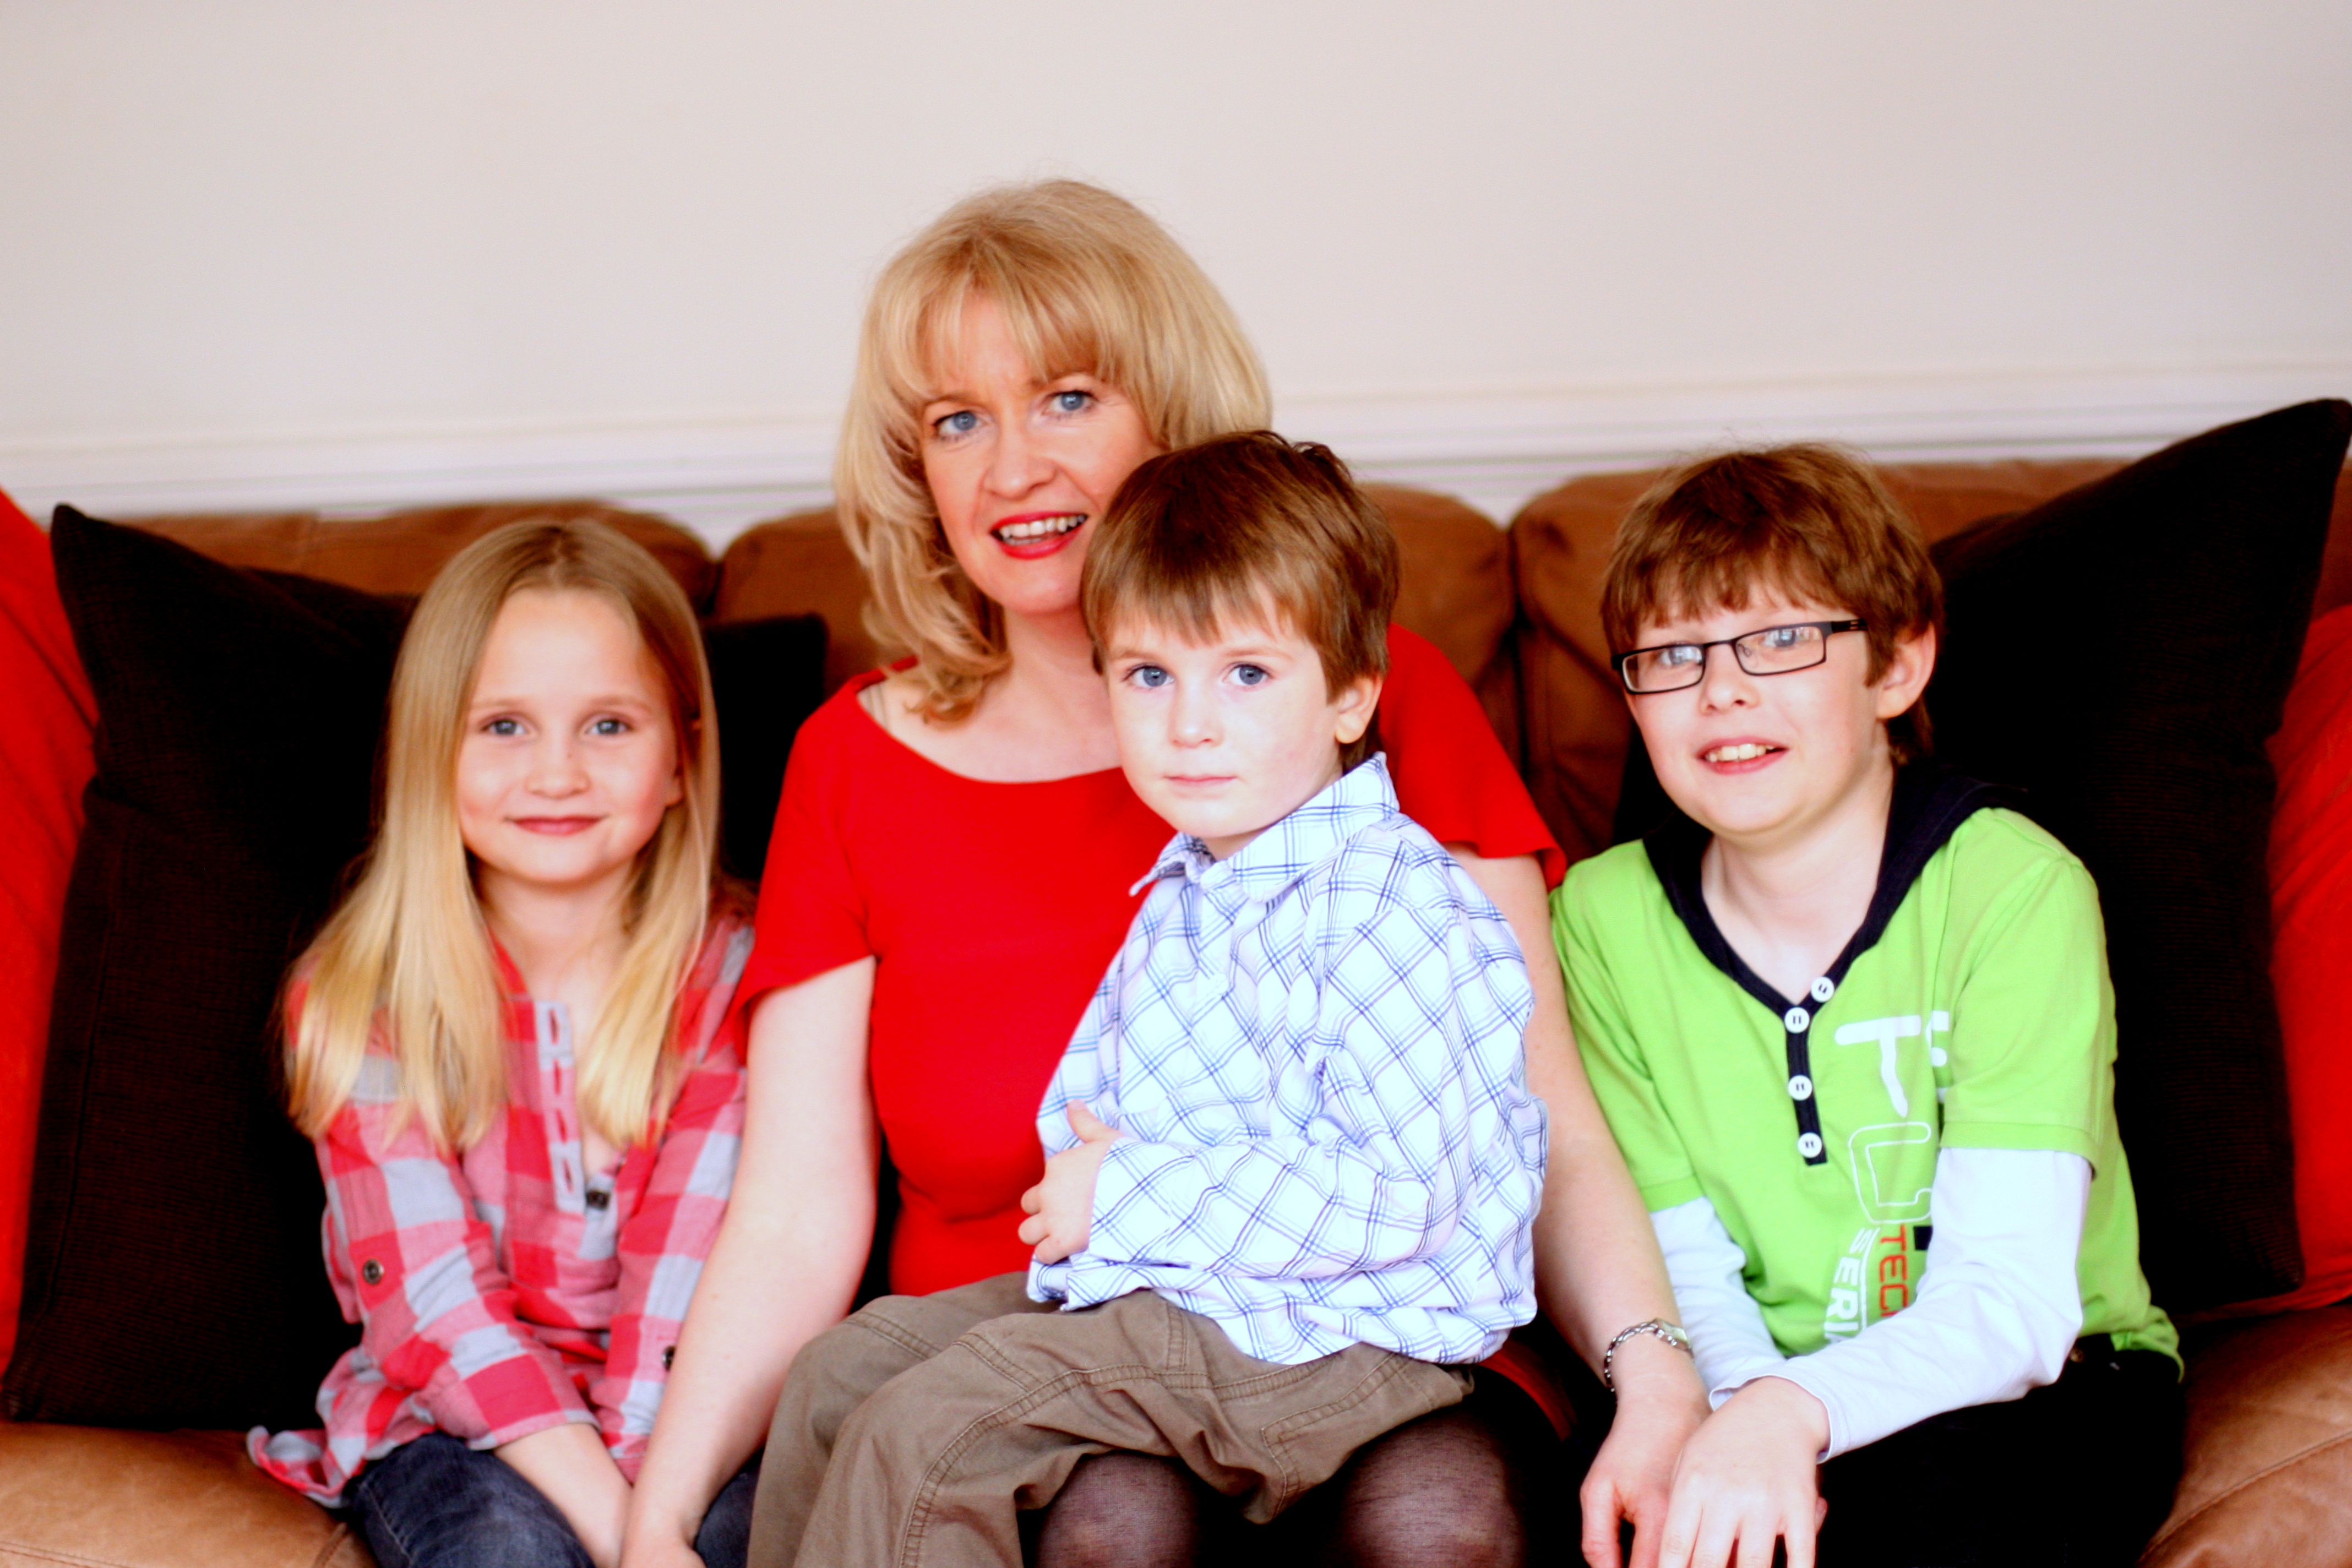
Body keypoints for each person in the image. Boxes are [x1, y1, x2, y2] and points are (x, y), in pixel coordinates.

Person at [623, 180, 1708, 1568]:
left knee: (1437, 1508)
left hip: (1354, 1322)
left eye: (1066, 398)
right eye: (959, 419)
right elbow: (791, 1211)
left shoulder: (1364, 701)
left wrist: (1656, 1367)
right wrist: (659, 1515)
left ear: (1169, 419)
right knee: (1096, 1509)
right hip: (1038, 1332)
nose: (1011, 466)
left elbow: (1533, 1100)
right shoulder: (851, 761)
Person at [755, 432, 1551, 1568]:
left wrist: (1126, 1188)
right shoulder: (1200, 877)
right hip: (1198, 1293)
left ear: (1349, 694)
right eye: (1147, 674)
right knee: (846, 1370)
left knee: (933, 1430)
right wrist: (1105, 1181)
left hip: (1345, 1335)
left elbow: (1401, 1198)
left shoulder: (1389, 903)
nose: (1190, 723)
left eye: (1245, 673)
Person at [1552, 446, 2184, 1568]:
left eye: (1783, 640)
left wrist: (1787, 1415)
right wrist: (1742, 1420)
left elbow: (2011, 1303)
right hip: (1743, 1382)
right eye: (1672, 653)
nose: (1722, 689)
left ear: (1897, 665)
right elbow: (1678, 1262)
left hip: (2042, 1383)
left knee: (1910, 1524)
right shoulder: (1600, 919)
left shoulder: (2014, 887)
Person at [249, 520, 760, 1568]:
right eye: (505, 727)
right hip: (446, 1420)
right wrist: (630, 1539)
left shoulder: (743, 979)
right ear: (429, 750)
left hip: (691, 1415)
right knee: (504, 1548)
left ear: (681, 759)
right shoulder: (361, 998)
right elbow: (437, 1308)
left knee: (746, 1530)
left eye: (610, 726)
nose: (559, 773)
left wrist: (660, 1516)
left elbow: (695, 1287)